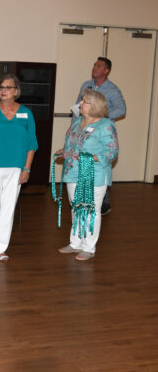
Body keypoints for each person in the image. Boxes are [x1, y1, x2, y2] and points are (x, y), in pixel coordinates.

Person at [0, 74, 38, 262]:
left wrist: (27, 169)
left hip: (16, 167)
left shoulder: (26, 113)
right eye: (1, 87)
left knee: (8, 208)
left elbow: (31, 143)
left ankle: (0, 247)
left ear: (16, 91)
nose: (3, 90)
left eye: (8, 87)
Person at [56, 89, 118, 260]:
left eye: (84, 101)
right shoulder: (78, 122)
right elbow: (72, 143)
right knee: (77, 207)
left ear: (95, 105)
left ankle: (89, 248)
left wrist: (92, 157)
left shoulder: (105, 125)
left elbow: (112, 152)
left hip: (93, 174)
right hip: (73, 172)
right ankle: (75, 243)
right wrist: (65, 151)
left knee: (91, 210)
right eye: (81, 101)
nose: (80, 104)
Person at [74, 56, 125, 215]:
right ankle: (81, 196)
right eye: (94, 65)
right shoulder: (86, 85)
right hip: (83, 130)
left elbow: (121, 110)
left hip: (100, 133)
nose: (94, 68)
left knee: (99, 163)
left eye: (99, 66)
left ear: (106, 71)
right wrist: (74, 128)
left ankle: (103, 202)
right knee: (83, 161)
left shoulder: (112, 90)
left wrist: (101, 115)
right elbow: (77, 107)